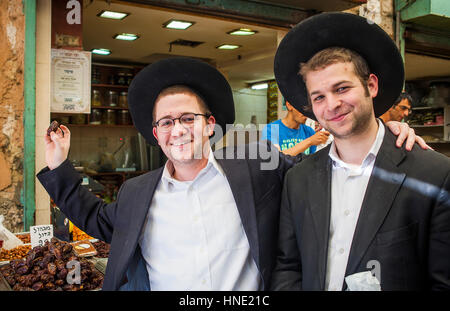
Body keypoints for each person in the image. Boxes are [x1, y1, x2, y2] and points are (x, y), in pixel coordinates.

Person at [38, 57, 426, 291]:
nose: (179, 130)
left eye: (188, 118)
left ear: (209, 125)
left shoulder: (256, 168)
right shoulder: (137, 193)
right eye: (167, 122)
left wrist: (377, 132)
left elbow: (325, 172)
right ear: (156, 134)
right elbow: (93, 217)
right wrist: (58, 165)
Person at [271, 12, 450, 291]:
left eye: (342, 88)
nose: (331, 104)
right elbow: (288, 266)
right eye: (319, 97)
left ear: (371, 85)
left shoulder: (433, 174)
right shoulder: (299, 179)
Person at [261, 100, 330, 156]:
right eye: (302, 109)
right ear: (289, 105)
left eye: (308, 110)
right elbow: (276, 158)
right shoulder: (271, 129)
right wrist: (309, 141)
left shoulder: (308, 131)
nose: (306, 114)